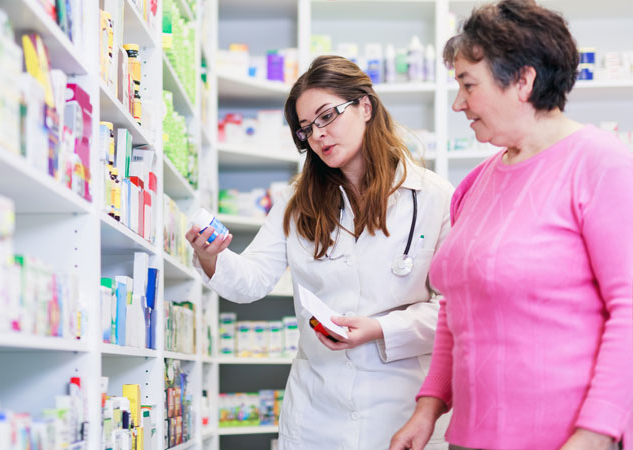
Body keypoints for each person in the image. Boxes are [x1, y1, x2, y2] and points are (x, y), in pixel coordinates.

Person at [389, 1, 633, 450]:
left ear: (523, 80)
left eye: (468, 85)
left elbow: (630, 308)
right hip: (471, 437)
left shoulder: (601, 165)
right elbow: (455, 309)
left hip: (565, 439)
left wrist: (596, 434)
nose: (459, 103)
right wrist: (428, 408)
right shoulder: (474, 186)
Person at [185, 55, 454, 450]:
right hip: (318, 411)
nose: (318, 136)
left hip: (402, 406)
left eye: (327, 116)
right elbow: (251, 281)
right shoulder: (298, 200)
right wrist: (211, 256)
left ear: (365, 106)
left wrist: (380, 329)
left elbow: (453, 310)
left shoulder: (433, 196)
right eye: (306, 129)